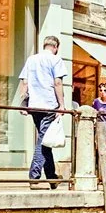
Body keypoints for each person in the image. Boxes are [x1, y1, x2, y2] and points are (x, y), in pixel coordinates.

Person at [18, 35, 67, 184]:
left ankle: (52, 177)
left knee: (44, 140)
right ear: (56, 47)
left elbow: (24, 82)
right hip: (49, 105)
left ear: (44, 45)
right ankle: (34, 176)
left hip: (34, 105)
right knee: (42, 142)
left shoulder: (31, 59)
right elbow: (57, 83)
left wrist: (23, 104)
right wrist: (61, 105)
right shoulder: (56, 60)